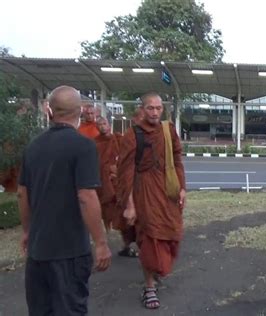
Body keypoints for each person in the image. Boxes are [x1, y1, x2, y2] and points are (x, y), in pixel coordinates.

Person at [17, 86, 112, 316]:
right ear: (79, 111)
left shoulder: (34, 146)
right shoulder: (83, 146)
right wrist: (100, 242)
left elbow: (22, 193)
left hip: (38, 253)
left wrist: (28, 231)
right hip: (69, 252)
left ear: (50, 111)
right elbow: (86, 196)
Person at [116, 92, 186, 309]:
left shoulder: (168, 130)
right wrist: (129, 205)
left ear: (162, 109)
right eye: (150, 108)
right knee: (149, 239)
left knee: (170, 234)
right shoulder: (132, 135)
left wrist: (182, 187)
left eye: (158, 108)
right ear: (143, 109)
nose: (154, 112)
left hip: (167, 191)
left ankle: (155, 271)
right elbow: (125, 172)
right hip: (143, 192)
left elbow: (176, 159)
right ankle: (149, 288)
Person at [95, 116, 138, 257]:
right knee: (118, 218)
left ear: (109, 124)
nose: (102, 127)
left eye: (104, 123)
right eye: (99, 125)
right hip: (107, 186)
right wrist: (107, 171)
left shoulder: (119, 139)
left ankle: (137, 244)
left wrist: (118, 171)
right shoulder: (95, 144)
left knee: (130, 216)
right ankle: (125, 245)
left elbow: (127, 159)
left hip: (122, 184)